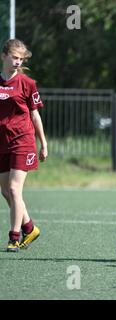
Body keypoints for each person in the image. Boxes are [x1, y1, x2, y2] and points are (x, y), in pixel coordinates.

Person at [0, 39, 47, 252]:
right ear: (4, 56)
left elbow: (35, 116)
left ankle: (14, 237)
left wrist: (43, 144)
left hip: (23, 141)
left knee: (13, 188)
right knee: (6, 192)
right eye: (14, 57)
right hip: (2, 143)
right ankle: (30, 227)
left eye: (21, 58)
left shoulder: (27, 83)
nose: (18, 62)